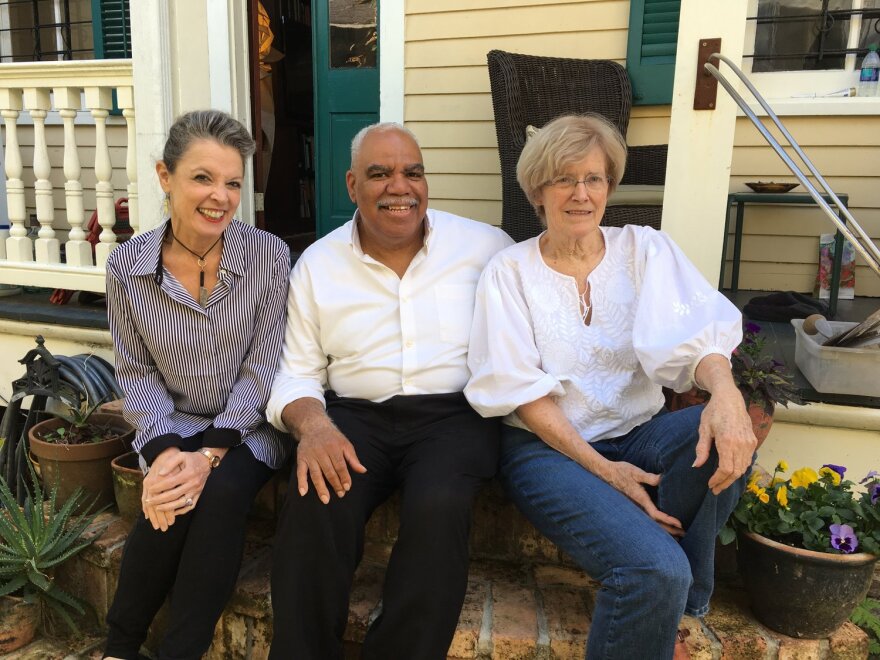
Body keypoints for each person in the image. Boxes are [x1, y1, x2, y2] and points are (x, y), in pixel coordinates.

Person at [464, 114, 756, 660]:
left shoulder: (643, 250)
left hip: (638, 435)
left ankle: (675, 600)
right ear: (537, 190)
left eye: (593, 179)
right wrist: (609, 474)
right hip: (548, 450)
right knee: (652, 570)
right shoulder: (509, 272)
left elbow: (697, 339)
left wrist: (728, 396)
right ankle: (664, 583)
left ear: (610, 186)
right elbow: (523, 393)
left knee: (723, 431)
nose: (580, 194)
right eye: (563, 179)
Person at [266, 122, 513, 659]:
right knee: (316, 500)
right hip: (355, 416)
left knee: (440, 504)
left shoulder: (486, 247)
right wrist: (313, 426)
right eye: (380, 174)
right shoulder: (317, 266)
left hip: (455, 417)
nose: (399, 187)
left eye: (412, 172)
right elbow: (297, 372)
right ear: (352, 185)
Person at [102, 110, 290, 659]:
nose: (221, 197)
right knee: (167, 493)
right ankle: (119, 647)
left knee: (220, 496)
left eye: (232, 182)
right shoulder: (128, 266)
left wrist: (208, 454)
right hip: (171, 423)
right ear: (166, 176)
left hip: (248, 424)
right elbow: (135, 372)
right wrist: (163, 453)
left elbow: (265, 367)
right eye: (203, 178)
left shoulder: (266, 255)